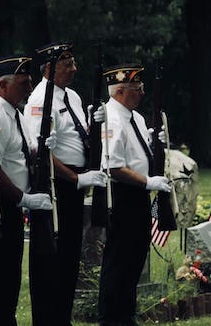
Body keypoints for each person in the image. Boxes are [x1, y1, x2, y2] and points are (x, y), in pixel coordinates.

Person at [23, 42, 107, 326]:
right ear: (49, 68)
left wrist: (97, 126)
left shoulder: (71, 96)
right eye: (67, 63)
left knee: (70, 256)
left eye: (73, 62)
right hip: (55, 184)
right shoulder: (38, 100)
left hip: (75, 183)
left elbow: (79, 137)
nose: (74, 68)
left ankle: (62, 317)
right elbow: (40, 153)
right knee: (50, 257)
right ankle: (47, 319)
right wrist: (74, 177)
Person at [0, 55, 52, 326]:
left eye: (29, 82)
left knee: (9, 275)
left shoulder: (15, 113)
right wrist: (23, 197)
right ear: (3, 85)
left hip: (12, 205)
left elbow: (21, 154)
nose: (29, 88)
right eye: (23, 83)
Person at [96, 64, 171, 325]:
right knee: (119, 258)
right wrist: (148, 181)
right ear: (119, 92)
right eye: (136, 89)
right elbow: (114, 166)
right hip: (123, 195)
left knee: (136, 257)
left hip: (139, 194)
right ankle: (110, 317)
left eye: (141, 88)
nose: (141, 93)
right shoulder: (112, 118)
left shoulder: (135, 117)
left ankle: (126, 314)